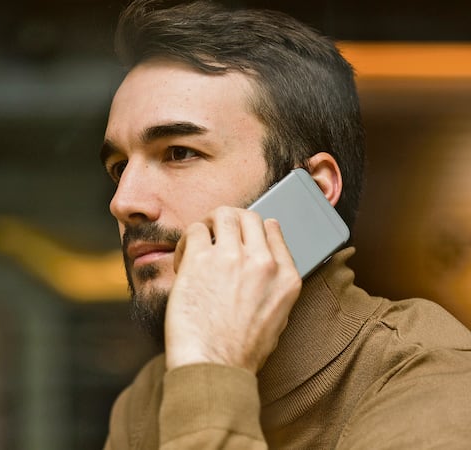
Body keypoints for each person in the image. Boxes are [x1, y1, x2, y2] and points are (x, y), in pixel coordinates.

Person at [99, 1, 471, 448]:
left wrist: (211, 374)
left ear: (313, 189)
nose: (124, 201)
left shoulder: (431, 380)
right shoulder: (148, 398)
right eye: (119, 167)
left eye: (179, 152)